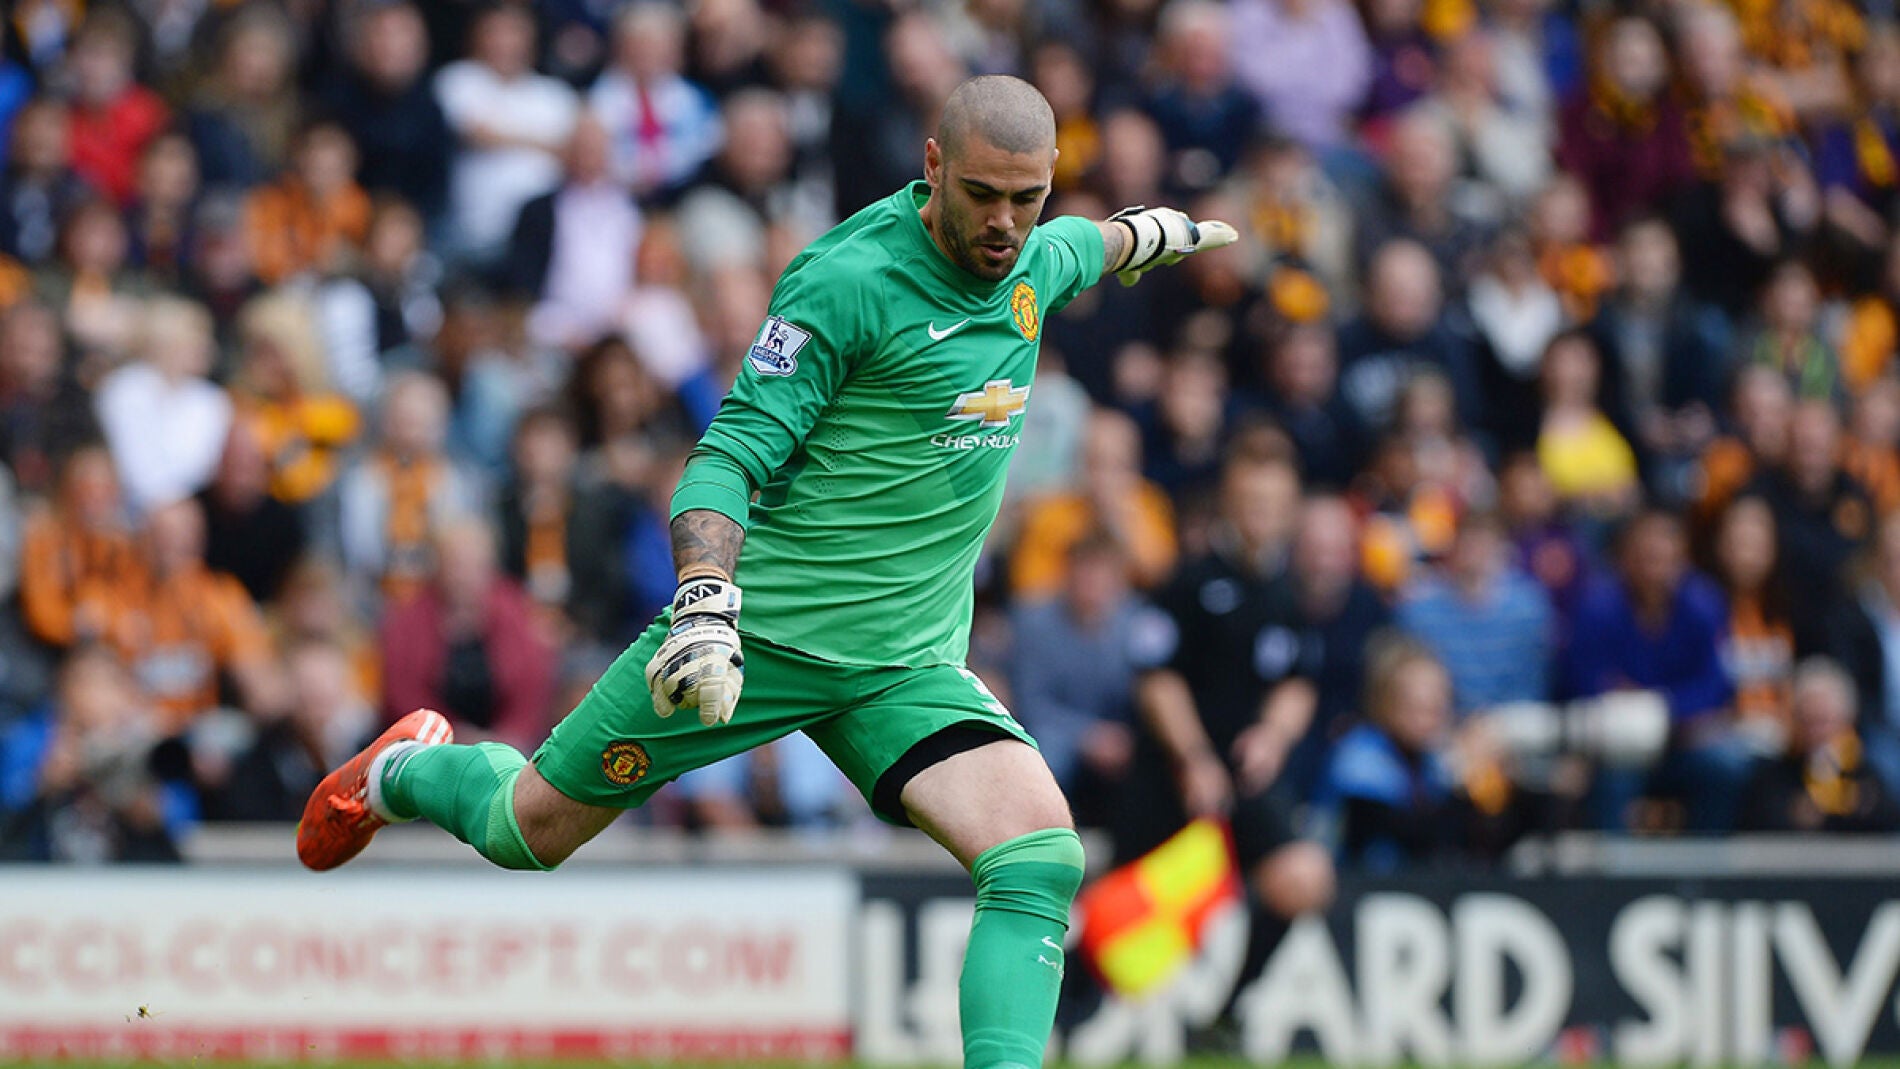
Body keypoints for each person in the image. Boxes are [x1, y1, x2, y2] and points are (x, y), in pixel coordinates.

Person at [297, 75, 1237, 1069]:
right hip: (759, 640)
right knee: (524, 829)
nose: (1004, 224)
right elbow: (726, 456)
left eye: (1027, 197)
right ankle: (401, 771)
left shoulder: (1036, 258)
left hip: (902, 668)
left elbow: (1090, 246)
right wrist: (706, 601)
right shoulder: (847, 280)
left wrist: (1158, 233)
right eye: (980, 196)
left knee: (1040, 857)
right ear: (931, 168)